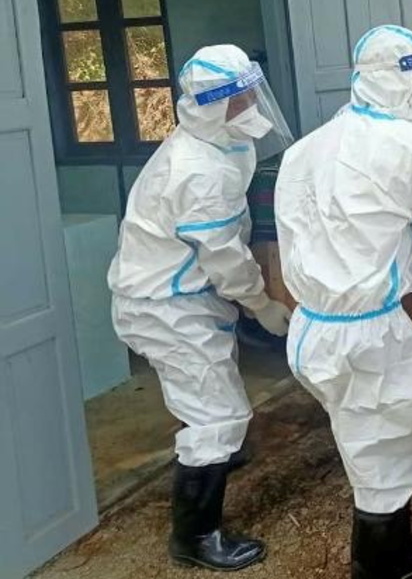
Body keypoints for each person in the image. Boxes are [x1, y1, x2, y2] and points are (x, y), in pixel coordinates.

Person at [275, 26, 412, 579]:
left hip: (311, 329)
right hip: (369, 336)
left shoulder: (303, 150)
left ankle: (387, 553)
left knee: (363, 445)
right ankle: (380, 565)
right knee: (384, 454)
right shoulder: (411, 149)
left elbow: (292, 241)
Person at [107, 44, 295, 571]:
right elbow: (224, 257)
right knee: (217, 414)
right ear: (214, 105)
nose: (251, 106)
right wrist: (261, 304)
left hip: (186, 295)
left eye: (252, 93)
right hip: (164, 307)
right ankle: (195, 537)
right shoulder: (196, 169)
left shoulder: (221, 140)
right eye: (240, 99)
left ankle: (217, 459)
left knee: (213, 395)